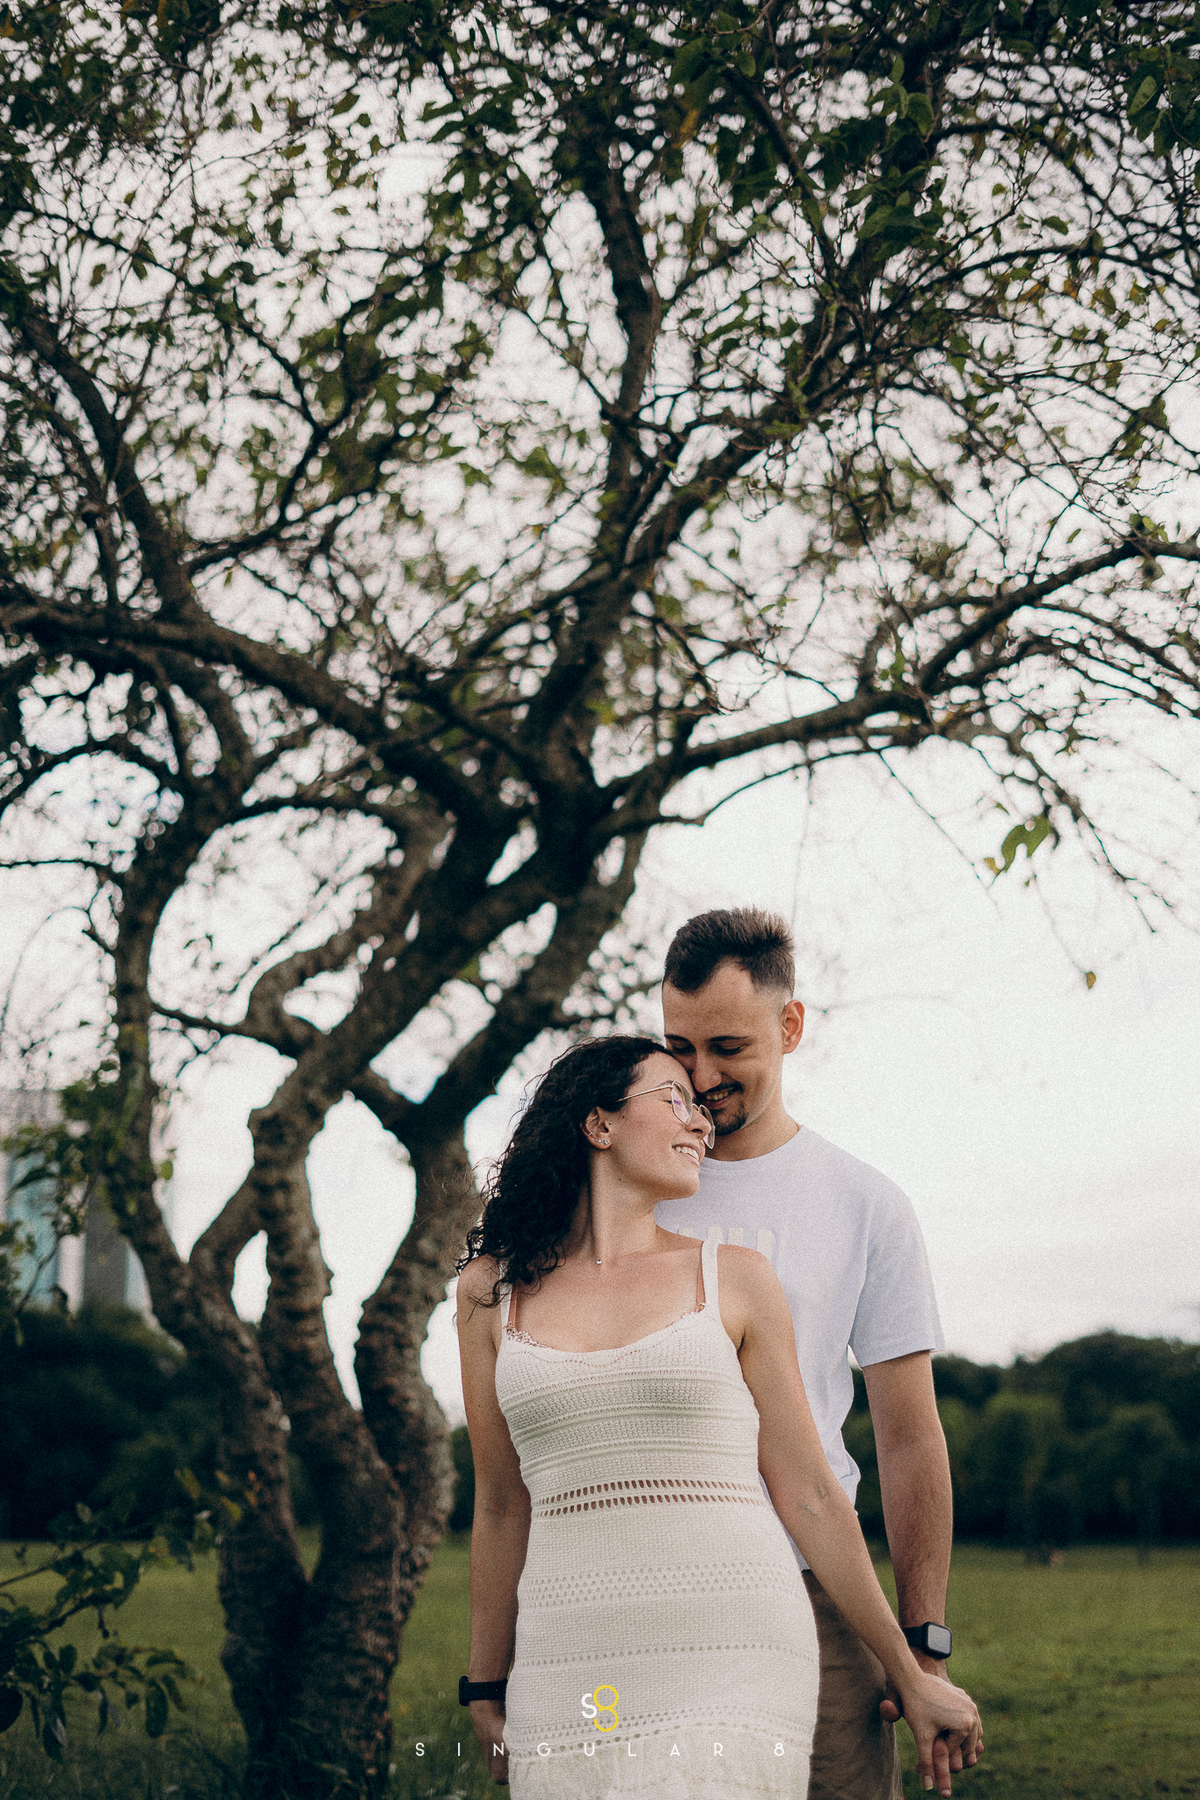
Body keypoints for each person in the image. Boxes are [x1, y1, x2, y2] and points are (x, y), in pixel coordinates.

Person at [456, 1034, 981, 1800]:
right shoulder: (488, 1293)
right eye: (675, 1098)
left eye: (700, 1108)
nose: (700, 1120)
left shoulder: (734, 1279)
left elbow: (809, 1491)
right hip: (567, 1654)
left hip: (736, 1647)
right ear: (598, 1123)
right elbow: (502, 1503)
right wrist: (484, 1680)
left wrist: (911, 1669)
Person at [655, 908, 961, 1800]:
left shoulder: (865, 1203)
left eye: (728, 1047)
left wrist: (923, 1640)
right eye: (678, 1047)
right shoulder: (630, 1183)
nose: (700, 1077)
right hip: (649, 1592)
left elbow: (910, 1436)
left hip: (814, 1591)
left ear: (789, 1027)